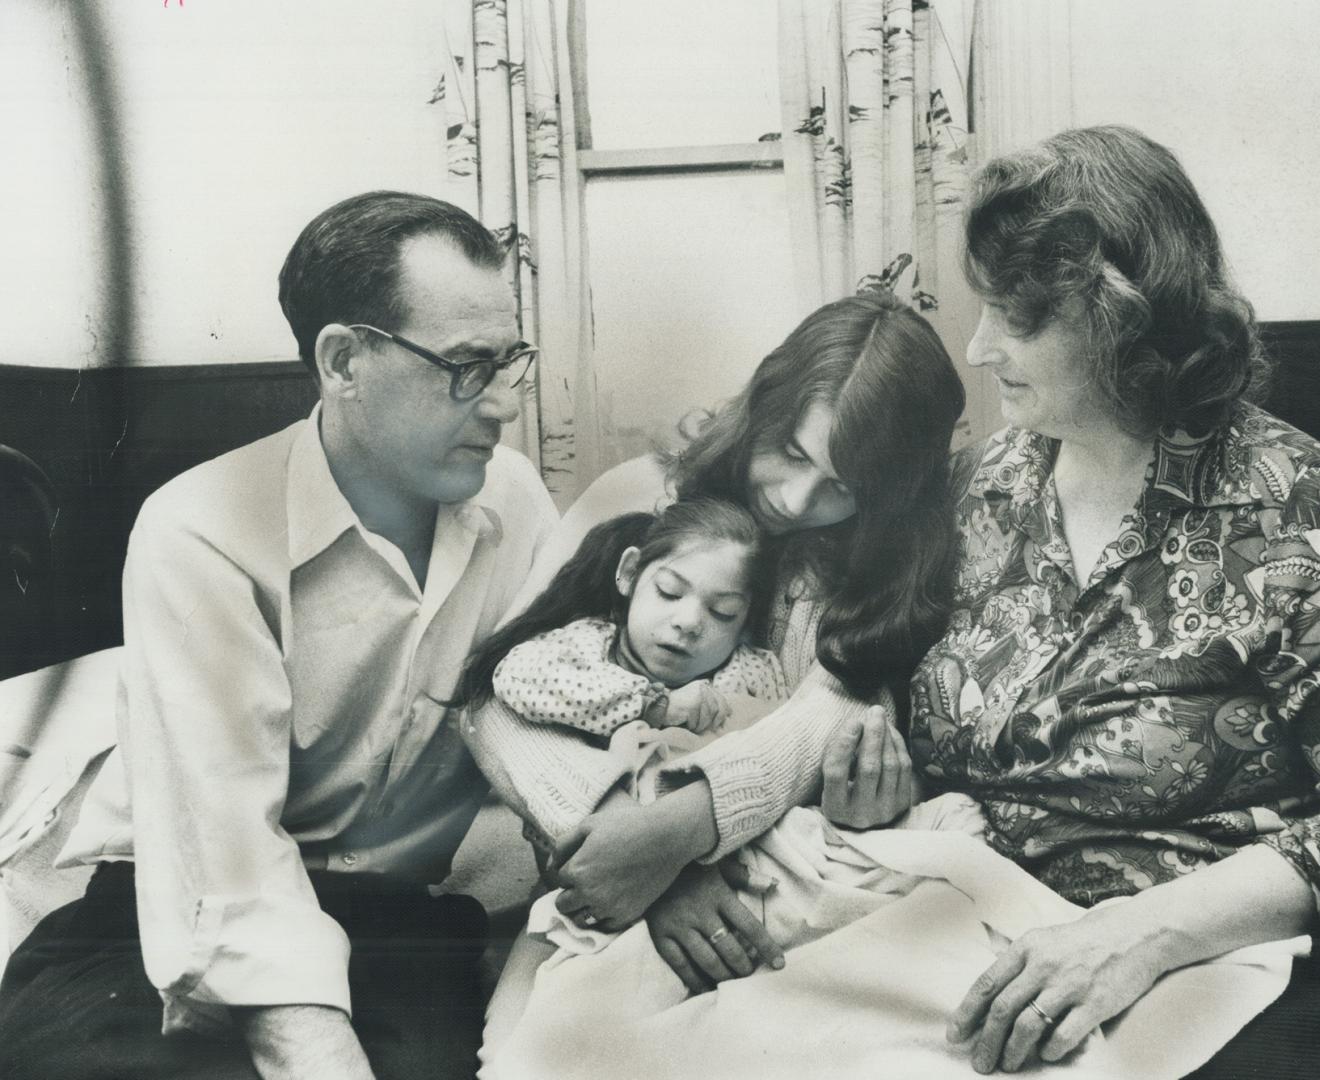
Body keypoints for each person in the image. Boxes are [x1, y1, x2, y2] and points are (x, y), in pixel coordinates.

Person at [916, 125, 1320, 1077]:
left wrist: (1145, 932)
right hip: (1005, 936)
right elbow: (864, 660)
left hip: (1231, 953)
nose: (977, 347)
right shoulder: (988, 486)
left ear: (1123, 319)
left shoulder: (1295, 508)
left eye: (1018, 317)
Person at [0, 191, 559, 1080]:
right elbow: (227, 855)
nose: (501, 405)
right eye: (464, 366)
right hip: (161, 912)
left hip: (394, 918)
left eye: (509, 360)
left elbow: (549, 707)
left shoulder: (515, 500)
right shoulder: (201, 530)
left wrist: (659, 851)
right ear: (343, 361)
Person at [463, 289, 966, 992]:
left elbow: (833, 709)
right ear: (765, 402)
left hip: (767, 877)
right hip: (592, 854)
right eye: (789, 452)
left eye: (841, 486)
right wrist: (631, 845)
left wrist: (679, 834)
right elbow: (491, 702)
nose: (795, 499)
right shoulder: (639, 496)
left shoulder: (856, 562)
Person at [453, 497, 787, 770]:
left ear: (746, 622)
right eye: (669, 592)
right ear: (630, 574)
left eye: (722, 612)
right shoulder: (589, 643)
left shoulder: (752, 672)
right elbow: (516, 676)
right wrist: (657, 705)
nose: (687, 622)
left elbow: (782, 750)